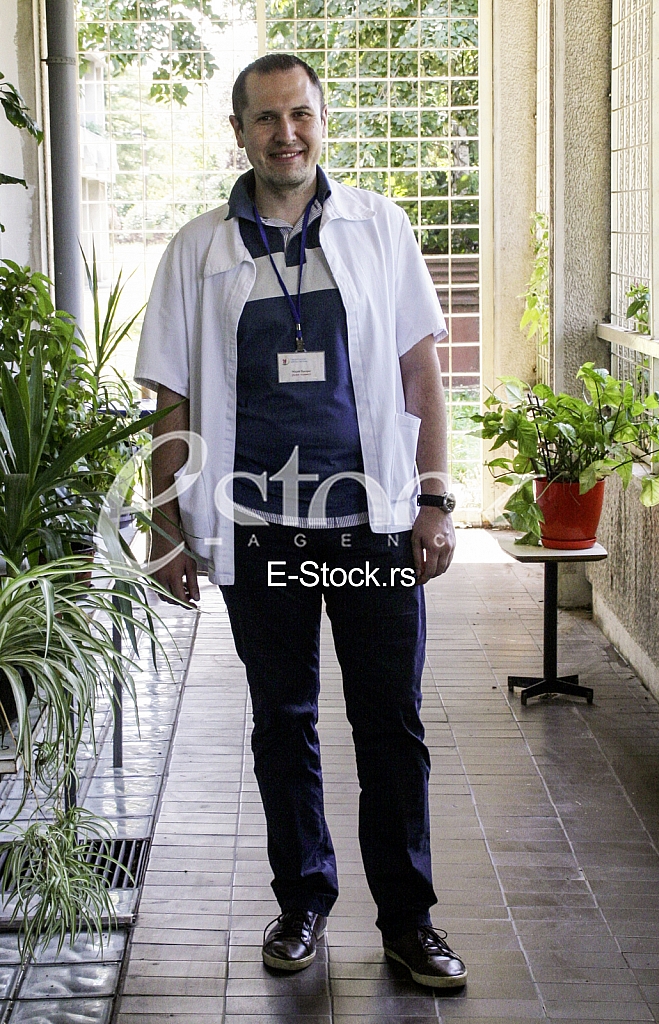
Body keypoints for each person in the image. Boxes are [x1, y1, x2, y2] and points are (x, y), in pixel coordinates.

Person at [135, 52, 467, 989]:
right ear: (237, 133)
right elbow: (171, 402)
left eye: (302, 115)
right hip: (260, 531)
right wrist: (167, 529)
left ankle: (409, 921)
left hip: (367, 527)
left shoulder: (378, 226)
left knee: (388, 721)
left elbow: (421, 375)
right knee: (283, 723)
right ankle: (303, 905)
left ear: (323, 122)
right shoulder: (198, 250)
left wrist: (435, 499)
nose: (288, 133)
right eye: (267, 118)